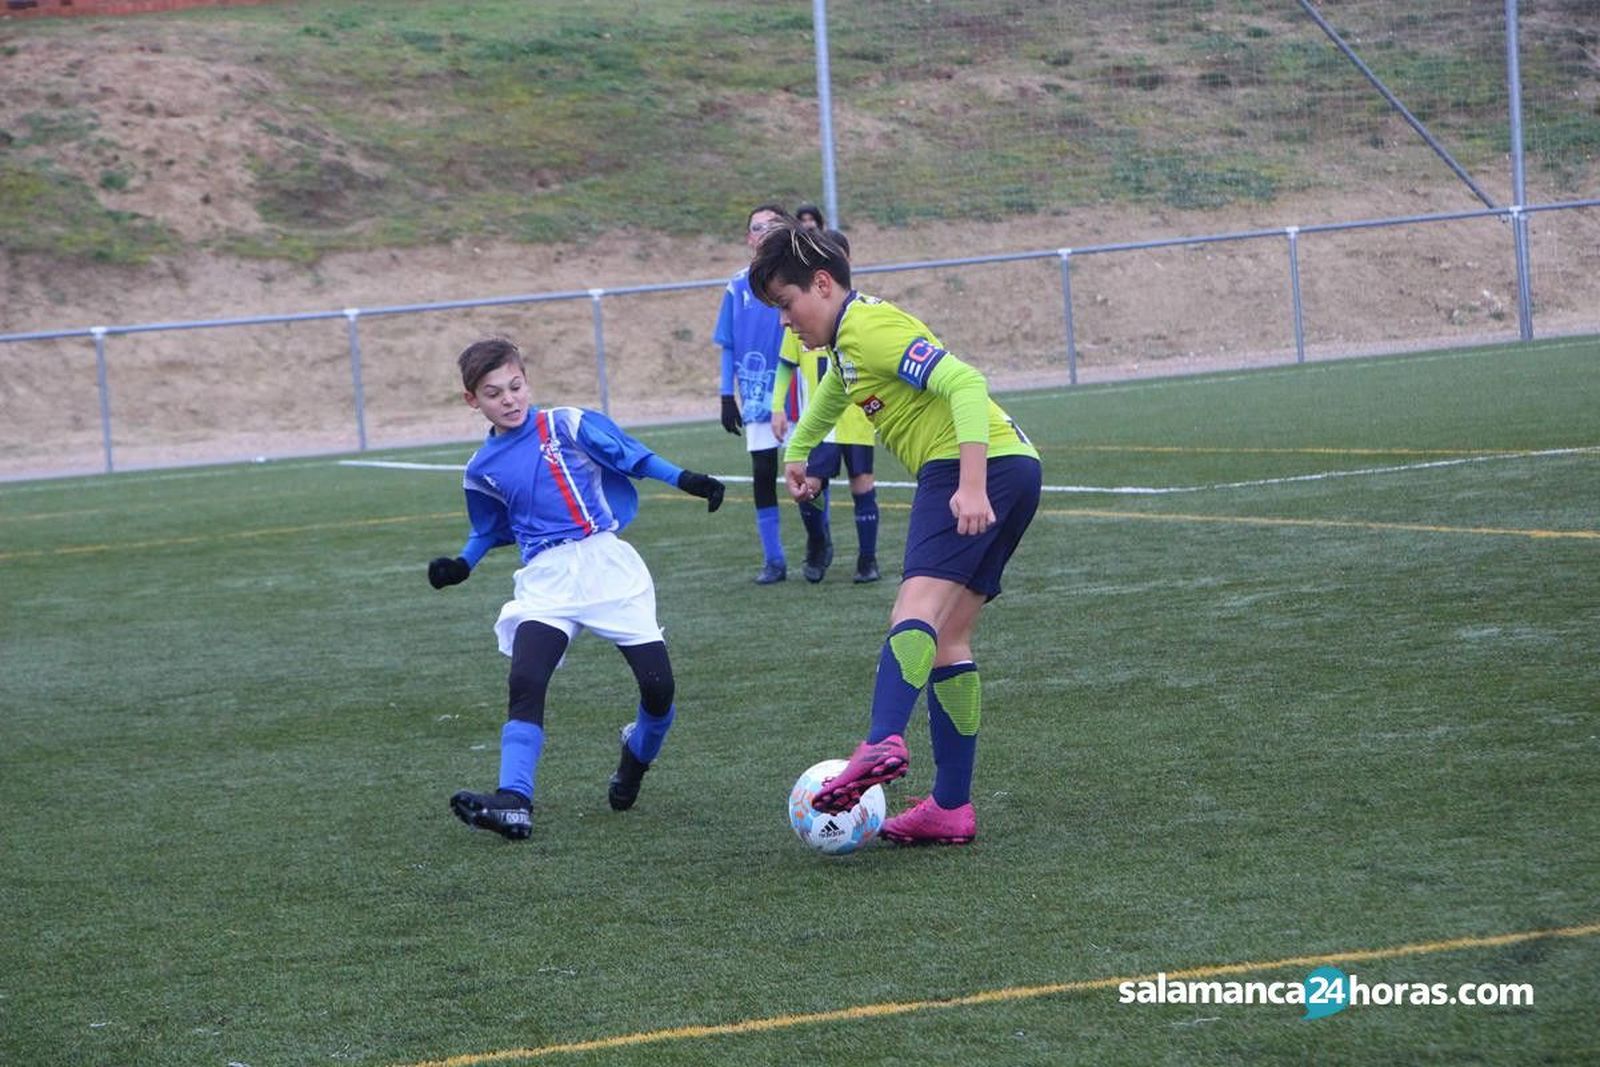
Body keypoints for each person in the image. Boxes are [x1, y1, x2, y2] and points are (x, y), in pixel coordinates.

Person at [747, 222, 1041, 846]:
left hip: (971, 464)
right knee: (950, 638)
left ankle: (881, 740)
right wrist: (798, 449)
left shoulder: (869, 326)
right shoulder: (849, 343)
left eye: (786, 304)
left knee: (915, 611)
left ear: (821, 284)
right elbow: (837, 390)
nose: (785, 321)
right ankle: (951, 807)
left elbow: (964, 382)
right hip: (1016, 465)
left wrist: (968, 482)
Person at [427, 338, 726, 842]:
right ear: (472, 400)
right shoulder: (481, 469)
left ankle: (635, 759)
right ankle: (514, 800)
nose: (509, 399)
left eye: (516, 386)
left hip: (607, 564)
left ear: (527, 380)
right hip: (548, 576)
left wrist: (688, 479)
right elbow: (489, 528)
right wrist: (462, 564)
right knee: (527, 677)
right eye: (493, 393)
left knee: (658, 689)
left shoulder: (567, 424)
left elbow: (631, 456)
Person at [769, 228, 880, 584]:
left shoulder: (861, 317)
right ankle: (818, 543)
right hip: (822, 421)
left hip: (858, 416)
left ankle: (868, 559)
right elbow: (786, 365)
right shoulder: (802, 321)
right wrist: (777, 407)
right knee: (809, 485)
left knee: (862, 482)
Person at [714, 202, 791, 584]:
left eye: (771, 226)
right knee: (763, 472)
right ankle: (774, 559)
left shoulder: (796, 279)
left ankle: (817, 545)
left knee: (810, 469)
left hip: (797, 391)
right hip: (758, 395)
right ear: (749, 238)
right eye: (757, 227)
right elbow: (728, 344)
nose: (763, 233)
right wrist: (726, 396)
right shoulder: (737, 284)